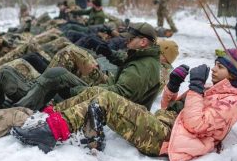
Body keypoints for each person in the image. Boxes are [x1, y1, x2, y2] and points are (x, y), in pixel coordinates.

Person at [12, 48, 237, 161]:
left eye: (221, 66)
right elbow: (168, 108)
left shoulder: (232, 100)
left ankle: (50, 132)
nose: (214, 69)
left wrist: (195, 88)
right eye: (215, 64)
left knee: (106, 100)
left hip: (166, 140)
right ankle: (48, 118)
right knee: (96, 91)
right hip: (162, 125)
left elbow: (197, 124)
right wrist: (174, 86)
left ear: (234, 72)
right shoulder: (212, 91)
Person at [15, 22, 160, 112]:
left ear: (143, 42)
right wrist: (109, 52)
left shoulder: (144, 67)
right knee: (57, 71)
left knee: (57, 74)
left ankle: (22, 107)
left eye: (131, 38)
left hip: (107, 105)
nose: (126, 40)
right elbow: (126, 62)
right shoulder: (143, 58)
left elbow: (118, 94)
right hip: (103, 93)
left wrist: (80, 90)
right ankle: (31, 97)